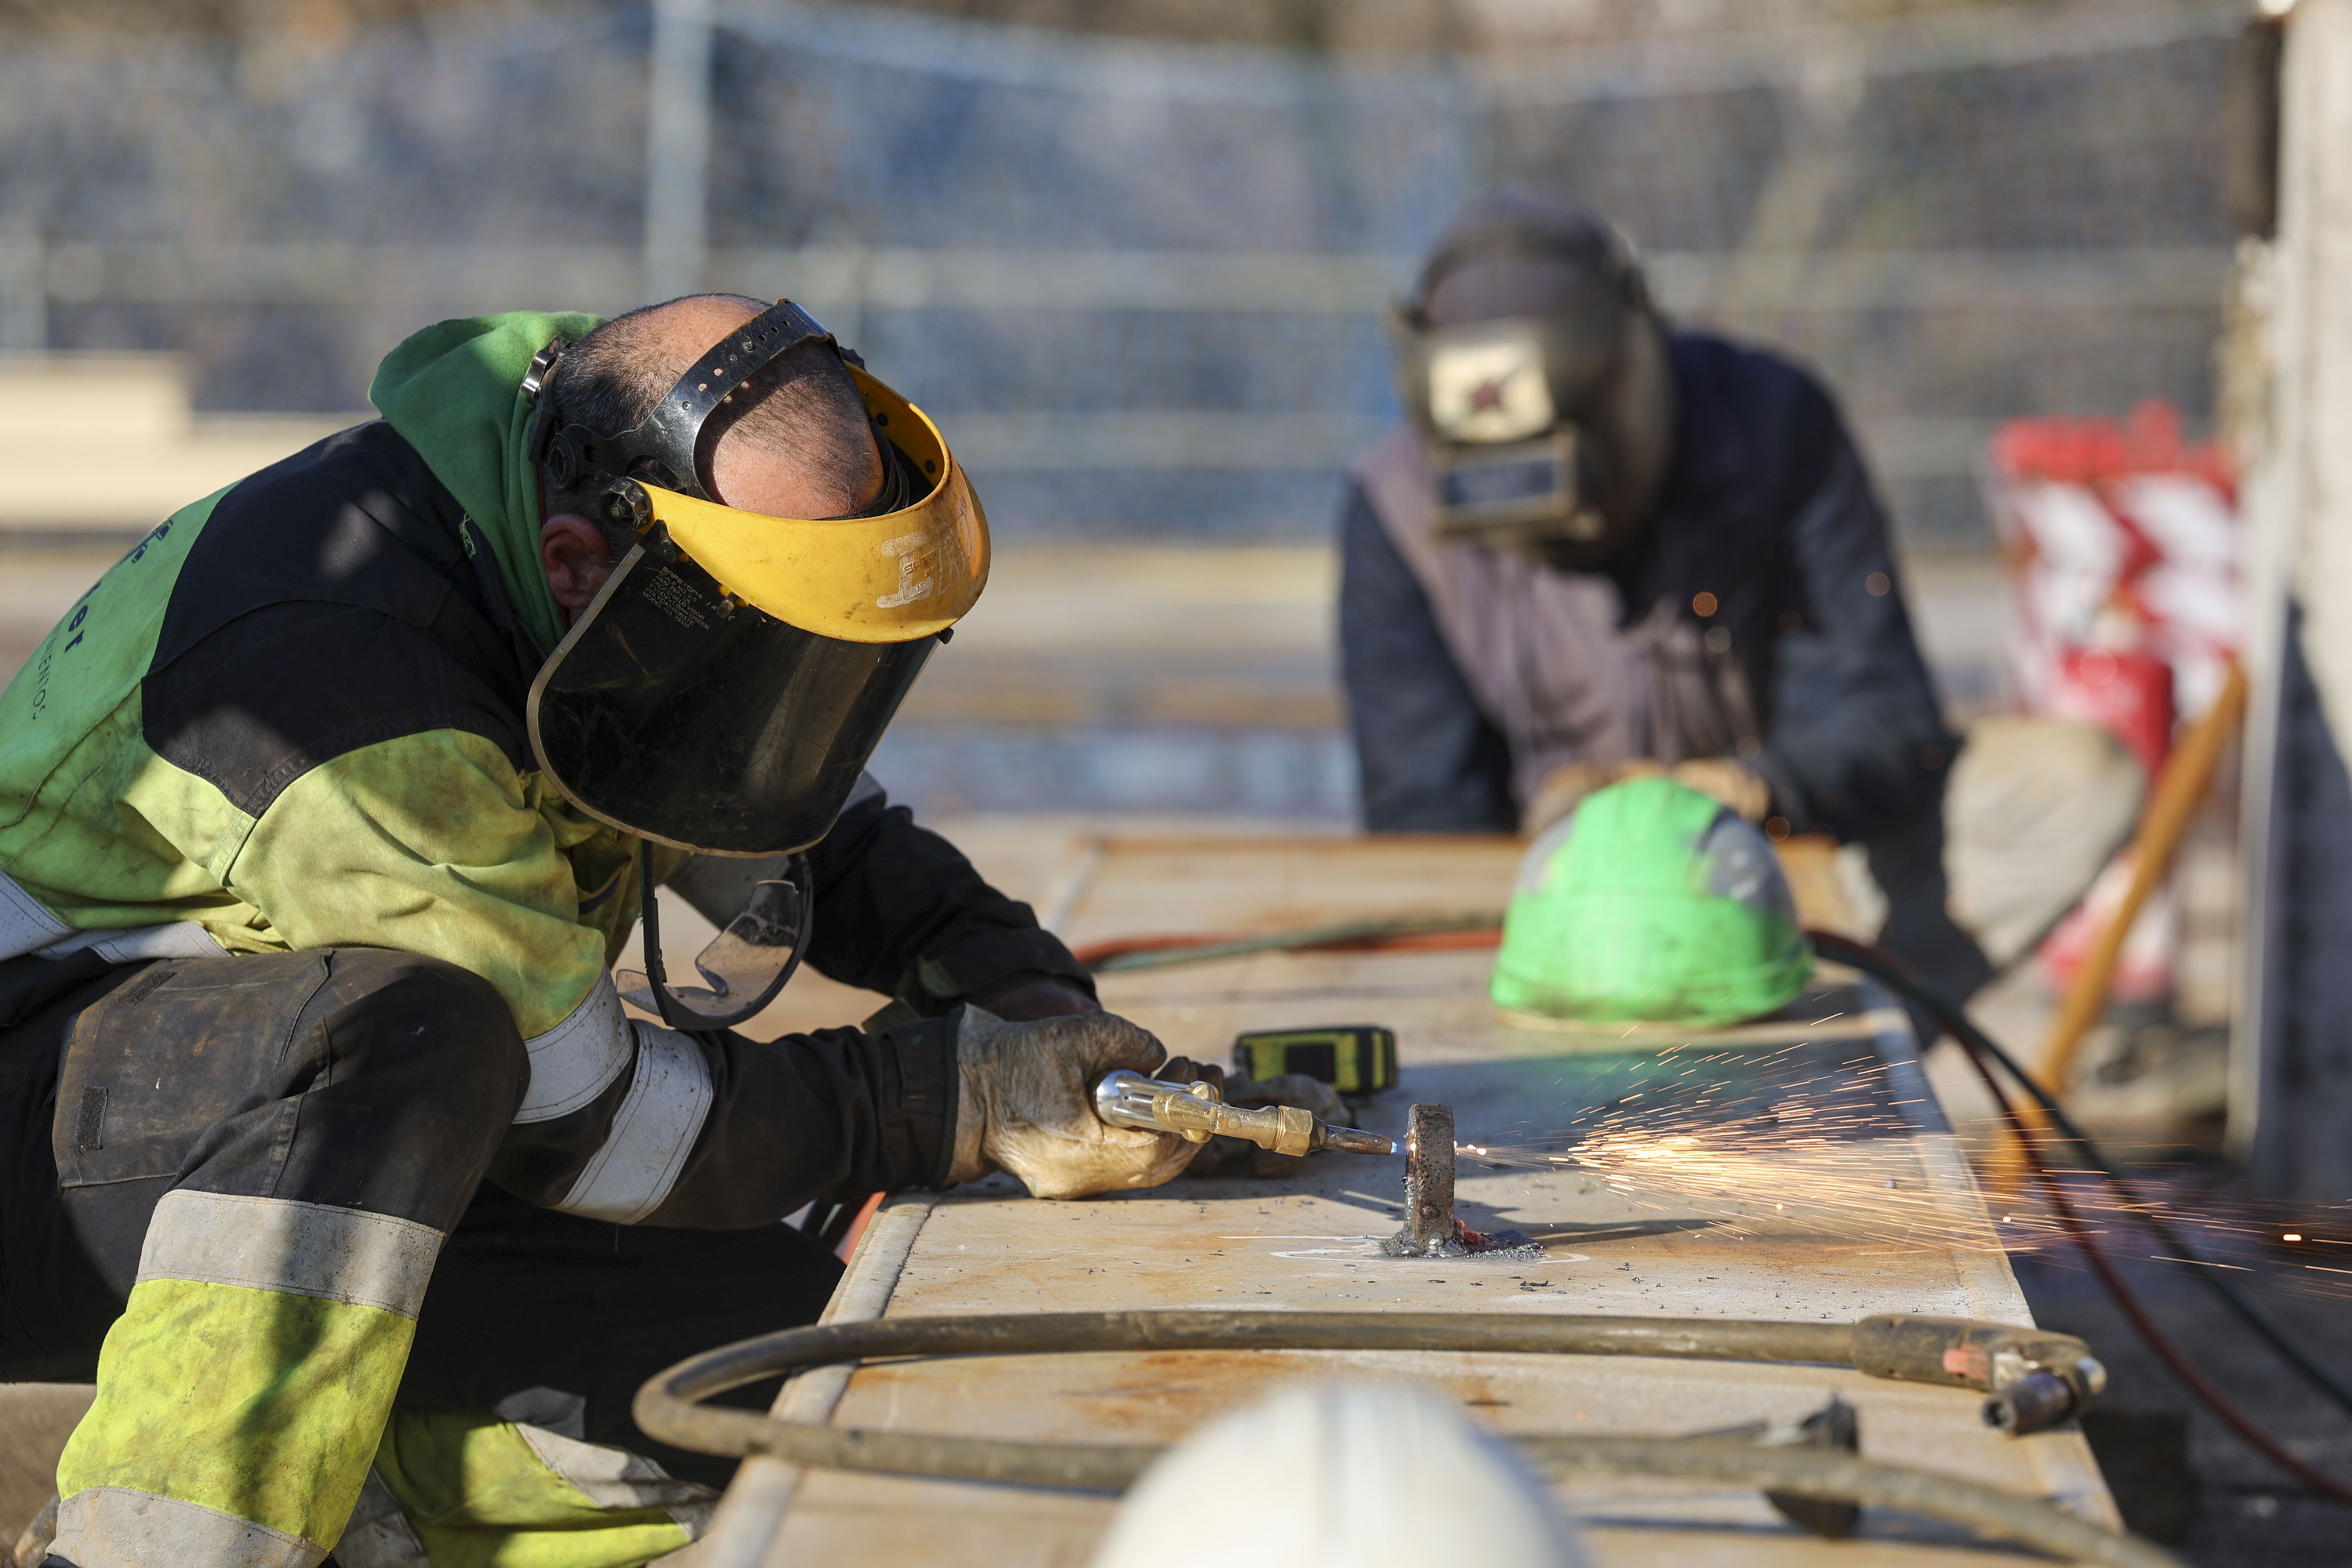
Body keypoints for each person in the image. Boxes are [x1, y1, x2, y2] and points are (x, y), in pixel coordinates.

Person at [0, 296, 1213, 1568]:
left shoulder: (591, 489)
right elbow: (596, 1126)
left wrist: (1010, 976)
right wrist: (946, 1099)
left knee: (787, 1364)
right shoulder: (354, 697)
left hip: (284, 1131)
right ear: (585, 565)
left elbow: (774, 799)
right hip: (56, 1132)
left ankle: (369, 1504)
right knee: (405, 1034)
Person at [1338, 190, 1990, 1001]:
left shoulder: (1777, 427)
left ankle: (1860, 1025)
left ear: (1632, 367)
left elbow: (1886, 717)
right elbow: (1425, 823)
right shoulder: (1392, 505)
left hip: (1789, 872)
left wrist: (1755, 788)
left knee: (2069, 784)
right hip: (1558, 903)